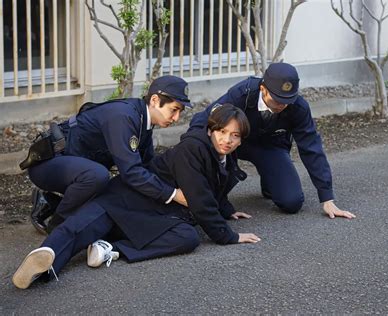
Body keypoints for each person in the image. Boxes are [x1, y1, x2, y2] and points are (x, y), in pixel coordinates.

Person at [12, 104, 260, 290]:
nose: (228, 139)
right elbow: (201, 200)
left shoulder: (225, 155)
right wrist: (229, 236)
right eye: (222, 132)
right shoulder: (193, 149)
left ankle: (110, 249)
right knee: (77, 230)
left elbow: (216, 188)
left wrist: (226, 209)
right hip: (122, 200)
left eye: (235, 135)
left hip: (153, 216)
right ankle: (42, 265)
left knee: (187, 238)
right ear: (210, 130)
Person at [22, 75, 193, 234]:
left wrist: (184, 185)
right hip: (46, 165)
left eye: (180, 112)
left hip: (74, 168)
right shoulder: (124, 116)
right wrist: (172, 194)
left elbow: (148, 165)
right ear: (155, 100)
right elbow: (132, 172)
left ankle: (49, 203)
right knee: (98, 177)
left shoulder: (143, 121)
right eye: (174, 110)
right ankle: (58, 225)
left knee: (112, 190)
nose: (177, 118)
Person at [189, 63, 355, 219]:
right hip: (236, 145)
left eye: (287, 100)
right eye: (278, 99)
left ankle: (270, 183)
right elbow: (205, 120)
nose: (283, 104)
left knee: (292, 202)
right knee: (212, 153)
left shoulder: (298, 107)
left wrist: (326, 197)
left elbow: (311, 147)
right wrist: (188, 154)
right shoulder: (242, 94)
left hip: (271, 147)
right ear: (263, 89)